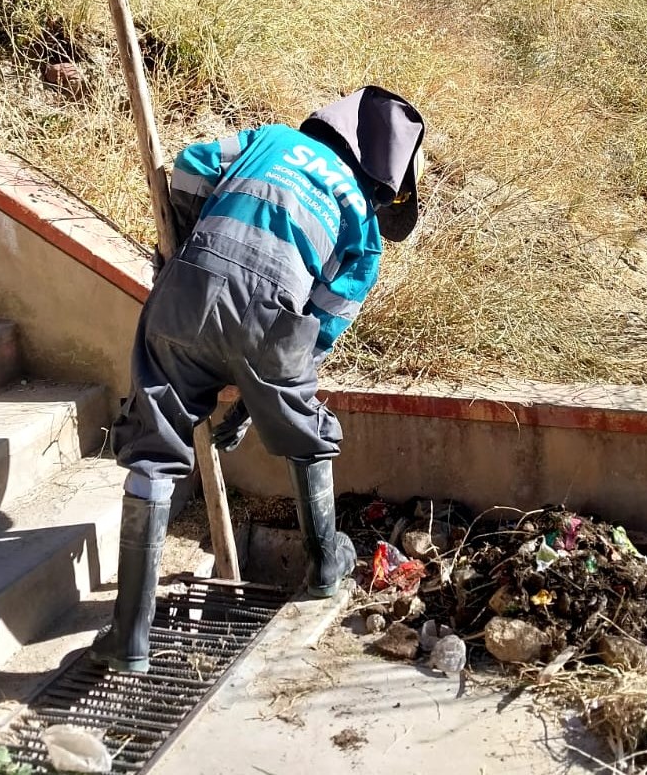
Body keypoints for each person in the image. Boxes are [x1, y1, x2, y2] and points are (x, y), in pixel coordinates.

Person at [92, 84, 425, 673]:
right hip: (276, 319)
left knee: (154, 444)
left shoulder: (271, 141)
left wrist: (191, 247)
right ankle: (324, 567)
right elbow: (317, 334)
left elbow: (190, 167)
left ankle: (130, 639)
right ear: (381, 180)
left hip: (186, 294)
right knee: (307, 434)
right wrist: (258, 402)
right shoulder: (363, 229)